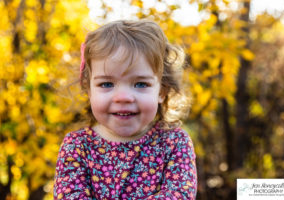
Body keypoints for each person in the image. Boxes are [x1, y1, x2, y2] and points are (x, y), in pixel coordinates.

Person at [53, 19, 197, 200]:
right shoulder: (77, 146)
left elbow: (179, 195)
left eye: (140, 84)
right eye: (106, 84)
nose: (123, 97)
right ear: (88, 89)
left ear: (162, 91)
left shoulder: (174, 143)